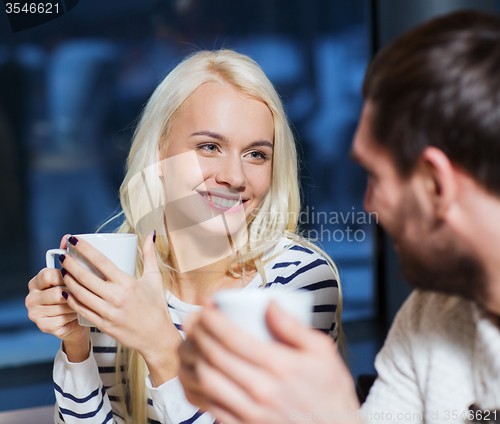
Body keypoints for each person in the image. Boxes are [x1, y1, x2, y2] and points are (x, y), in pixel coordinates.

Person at [179, 10, 500, 424]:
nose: (369, 205)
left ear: (436, 185)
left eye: (375, 177)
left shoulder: (305, 274)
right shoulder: (430, 314)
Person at [25, 49, 341, 424]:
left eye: (256, 154)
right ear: (160, 153)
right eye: (210, 147)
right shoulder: (123, 277)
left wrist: (159, 345)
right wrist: (77, 347)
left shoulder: (299, 279)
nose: (235, 177)